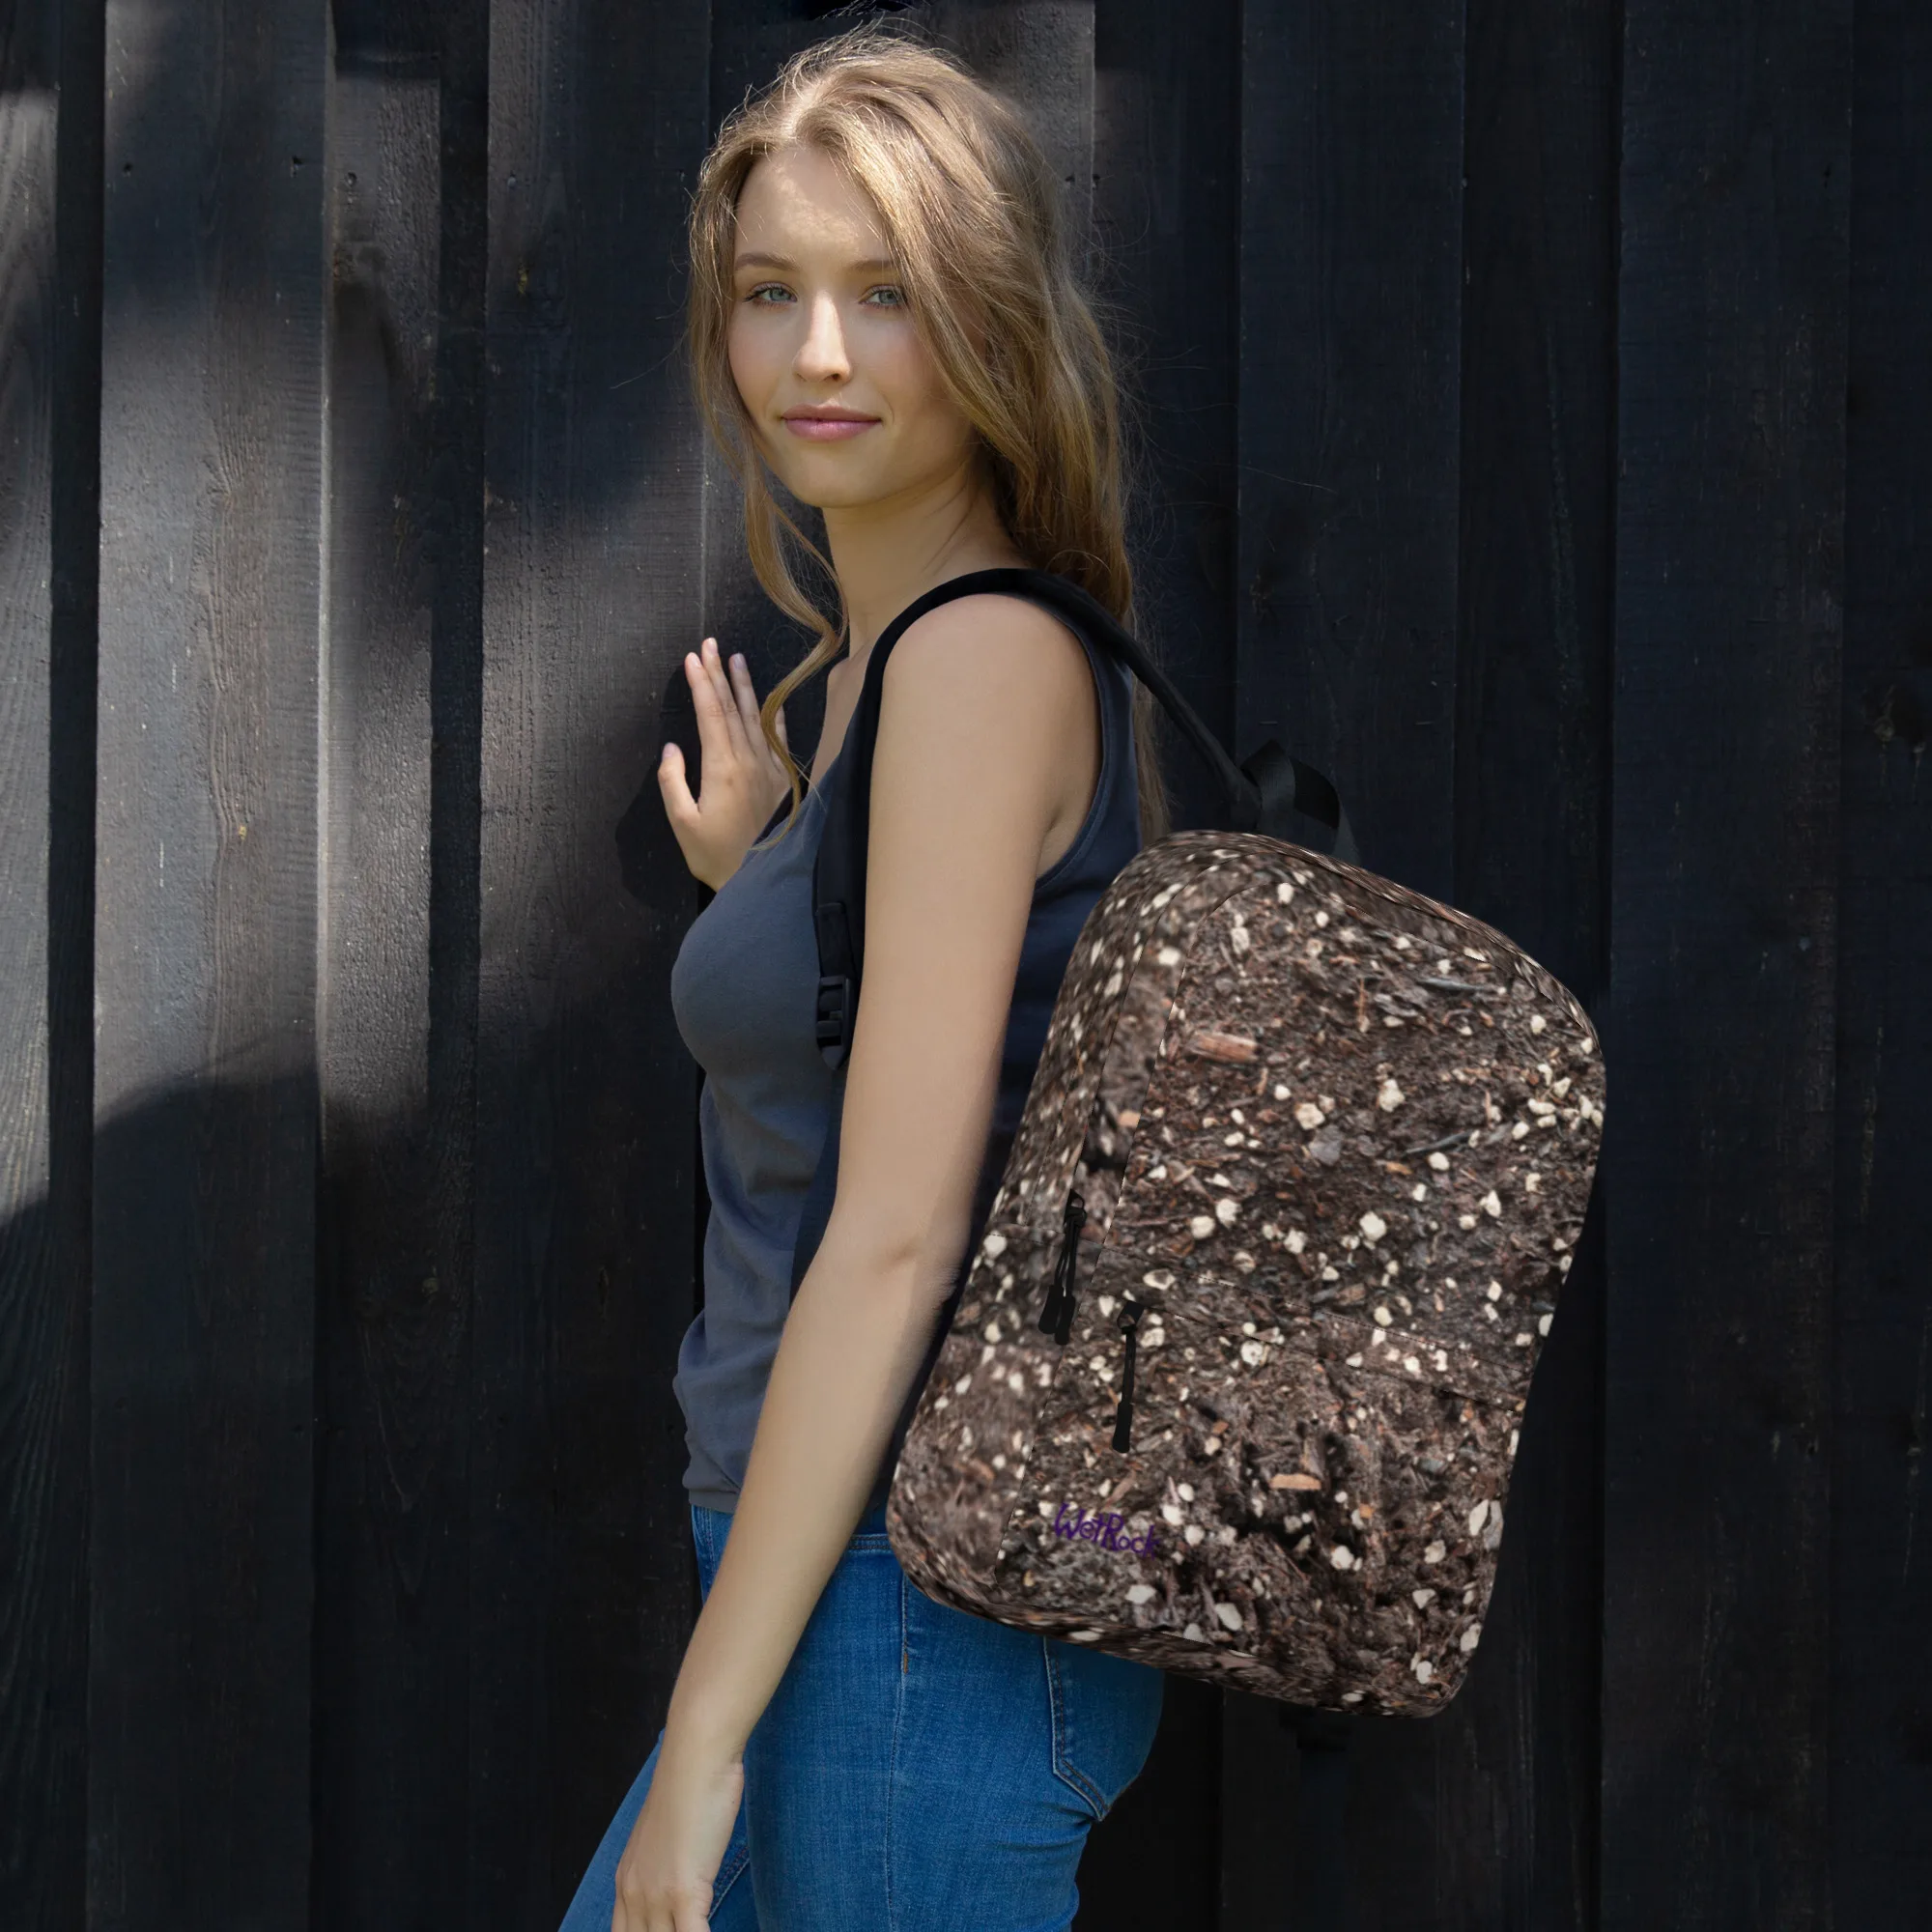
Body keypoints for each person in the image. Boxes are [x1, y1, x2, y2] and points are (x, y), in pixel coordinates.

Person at [558, 27, 1170, 1932]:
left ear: (984, 325)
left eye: (883, 296)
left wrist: (710, 1731)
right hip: (835, 1582)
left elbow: (899, 1231)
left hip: (909, 1605)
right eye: (771, 295)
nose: (816, 354)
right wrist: (769, 882)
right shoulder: (871, 678)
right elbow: (893, 1073)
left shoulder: (976, 665)